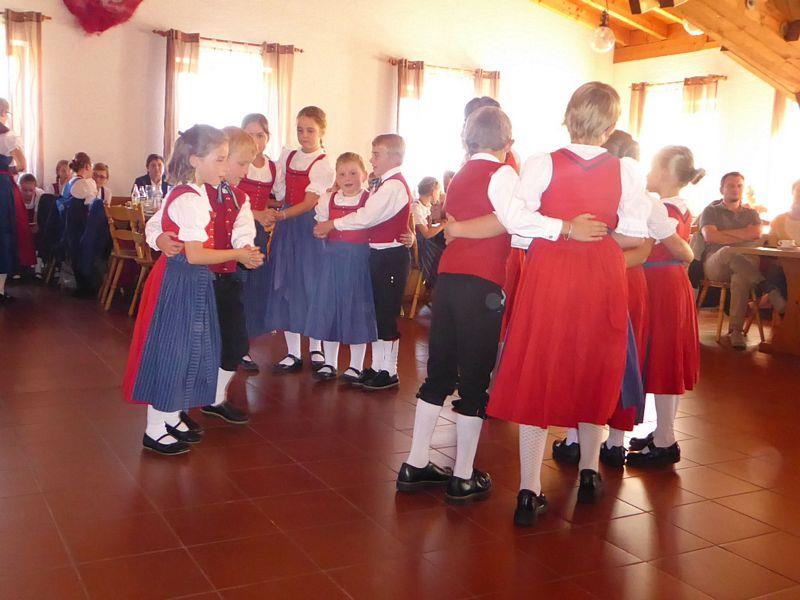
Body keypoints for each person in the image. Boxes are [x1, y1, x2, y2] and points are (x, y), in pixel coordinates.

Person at [487, 82, 650, 525]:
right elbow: (635, 231)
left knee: (541, 366)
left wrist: (561, 228)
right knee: (594, 364)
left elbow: (515, 218)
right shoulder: (627, 171)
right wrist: (590, 230)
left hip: (553, 271)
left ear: (568, 116)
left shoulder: (543, 163)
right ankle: (590, 472)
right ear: (612, 126)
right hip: (602, 270)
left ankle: (529, 489)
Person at [123, 125, 262, 455]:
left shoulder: (195, 193)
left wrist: (242, 249)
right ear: (196, 160)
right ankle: (155, 428)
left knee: (187, 351)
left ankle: (170, 417)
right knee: (172, 351)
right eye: (221, 159)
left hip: (192, 280)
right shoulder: (191, 197)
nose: (225, 167)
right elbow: (195, 253)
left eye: (227, 159)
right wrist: (237, 254)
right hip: (182, 279)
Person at [553, 129, 651, 468]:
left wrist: (600, 256)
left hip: (621, 281)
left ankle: (612, 440)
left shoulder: (638, 197)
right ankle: (578, 437)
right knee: (585, 357)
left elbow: (642, 248)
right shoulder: (606, 193)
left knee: (618, 361)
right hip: (596, 279)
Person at [314, 134, 412, 391]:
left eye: (376, 154)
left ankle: (390, 370)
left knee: (386, 314)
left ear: (395, 157)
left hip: (390, 257)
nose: (372, 159)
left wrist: (332, 223)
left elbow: (367, 217)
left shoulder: (393, 186)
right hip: (377, 255)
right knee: (377, 313)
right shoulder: (383, 184)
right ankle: (378, 367)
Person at [627, 146, 703, 467]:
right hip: (671, 283)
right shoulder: (681, 207)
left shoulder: (659, 209)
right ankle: (662, 431)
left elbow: (677, 250)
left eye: (652, 168)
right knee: (666, 357)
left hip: (661, 285)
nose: (647, 174)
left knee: (662, 358)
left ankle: (665, 439)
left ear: (665, 173)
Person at [263, 106, 335, 373]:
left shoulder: (323, 164)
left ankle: (316, 345)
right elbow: (280, 193)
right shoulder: (288, 157)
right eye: (300, 130)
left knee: (312, 285)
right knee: (287, 285)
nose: (304, 135)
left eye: (310, 130)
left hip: (308, 229)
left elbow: (309, 202)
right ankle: (293, 351)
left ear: (321, 131)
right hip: (287, 230)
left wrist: (282, 215)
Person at [305, 152, 377, 382]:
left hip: (358, 263)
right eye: (342, 174)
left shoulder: (371, 200)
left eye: (353, 173)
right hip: (332, 262)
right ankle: (330, 362)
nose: (348, 178)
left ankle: (356, 365)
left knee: (356, 311)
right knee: (330, 310)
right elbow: (320, 227)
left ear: (364, 175)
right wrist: (320, 231)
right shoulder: (328, 199)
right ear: (336, 177)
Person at [699, 172, 773, 349]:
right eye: (731, 185)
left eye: (739, 186)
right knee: (727, 251)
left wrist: (723, 234)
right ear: (722, 190)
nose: (735, 189)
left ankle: (736, 331)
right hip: (716, 263)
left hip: (743, 265)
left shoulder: (752, 213)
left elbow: (756, 234)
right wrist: (744, 234)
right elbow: (710, 236)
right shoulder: (711, 210)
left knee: (741, 278)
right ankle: (762, 283)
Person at [239, 113, 279, 369]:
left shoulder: (273, 168)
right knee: (238, 286)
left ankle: (245, 344)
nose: (255, 140)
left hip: (259, 233)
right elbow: (231, 197)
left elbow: (280, 197)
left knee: (254, 287)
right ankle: (235, 345)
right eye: (249, 135)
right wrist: (258, 214)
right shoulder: (236, 163)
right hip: (236, 229)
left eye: (260, 135)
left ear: (267, 138)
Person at [0, 98, 34, 301]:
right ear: (4, 113)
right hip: (2, 186)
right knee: (3, 232)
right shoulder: (8, 136)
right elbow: (22, 164)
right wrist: (8, 169)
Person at [63, 152, 98, 297]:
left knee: (75, 254)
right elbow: (92, 204)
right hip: (82, 225)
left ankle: (81, 286)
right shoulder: (85, 184)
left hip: (69, 225)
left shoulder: (69, 183)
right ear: (87, 166)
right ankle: (88, 286)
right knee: (86, 251)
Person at [412, 176, 445, 289]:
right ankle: (436, 284)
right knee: (441, 253)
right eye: (438, 192)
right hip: (421, 247)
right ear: (432, 192)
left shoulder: (429, 206)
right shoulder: (416, 207)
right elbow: (426, 234)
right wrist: (443, 224)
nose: (439, 195)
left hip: (427, 243)